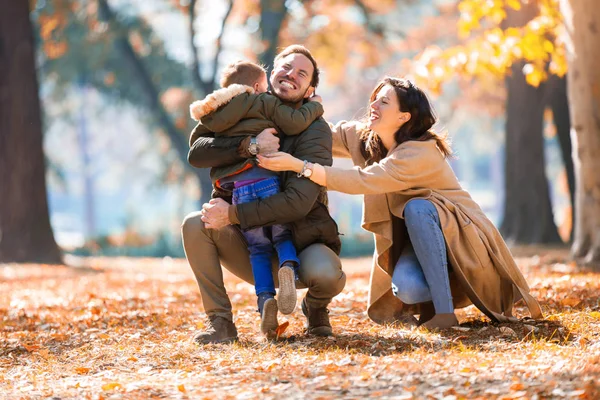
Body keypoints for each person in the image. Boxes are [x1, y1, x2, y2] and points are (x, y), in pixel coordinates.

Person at [257, 76, 544, 330]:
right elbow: (318, 136)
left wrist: (301, 167)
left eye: (384, 101)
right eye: (375, 99)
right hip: (418, 243)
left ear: (404, 116)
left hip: (462, 240)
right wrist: (277, 117)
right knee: (407, 289)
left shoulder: (420, 153)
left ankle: (445, 313)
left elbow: (364, 180)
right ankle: (433, 303)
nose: (374, 105)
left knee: (417, 207)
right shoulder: (367, 139)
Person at [182, 45, 344, 344]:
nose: (291, 75)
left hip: (301, 241)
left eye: (302, 73)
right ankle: (220, 323)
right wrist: (249, 144)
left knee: (326, 273)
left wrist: (232, 214)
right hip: (250, 236)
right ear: (269, 76)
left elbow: (297, 203)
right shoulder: (242, 108)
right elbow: (197, 152)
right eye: (285, 67)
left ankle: (316, 307)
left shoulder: (315, 130)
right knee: (196, 223)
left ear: (310, 89)